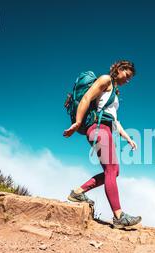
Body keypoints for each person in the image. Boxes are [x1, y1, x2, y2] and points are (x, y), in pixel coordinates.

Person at [63, 60, 142, 229]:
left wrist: (128, 138)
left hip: (106, 129)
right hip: (98, 129)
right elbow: (86, 98)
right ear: (119, 69)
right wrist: (77, 123)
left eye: (129, 79)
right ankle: (119, 216)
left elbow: (114, 120)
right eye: (126, 76)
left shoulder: (115, 91)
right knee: (111, 170)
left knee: (113, 171)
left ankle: (77, 192)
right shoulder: (105, 80)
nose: (127, 80)